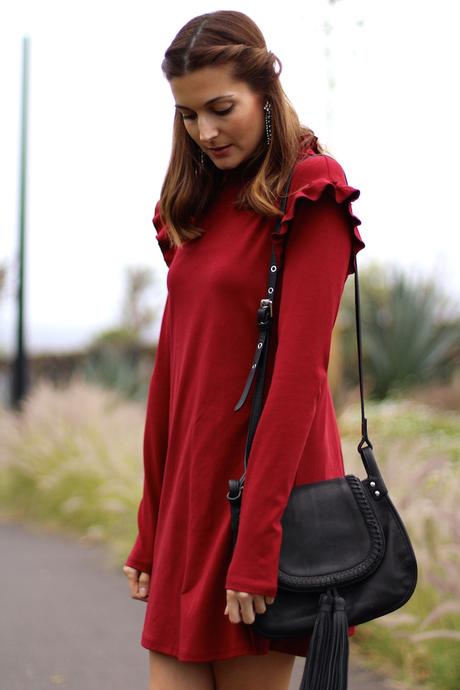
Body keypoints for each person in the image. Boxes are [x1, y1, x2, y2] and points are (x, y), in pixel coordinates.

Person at [123, 9, 365, 690]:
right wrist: (152, 524)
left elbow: (298, 380)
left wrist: (258, 547)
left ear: (266, 87)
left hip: (263, 511)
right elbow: (172, 375)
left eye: (221, 107)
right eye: (188, 115)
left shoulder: (309, 191)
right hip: (190, 508)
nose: (205, 131)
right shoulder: (192, 204)